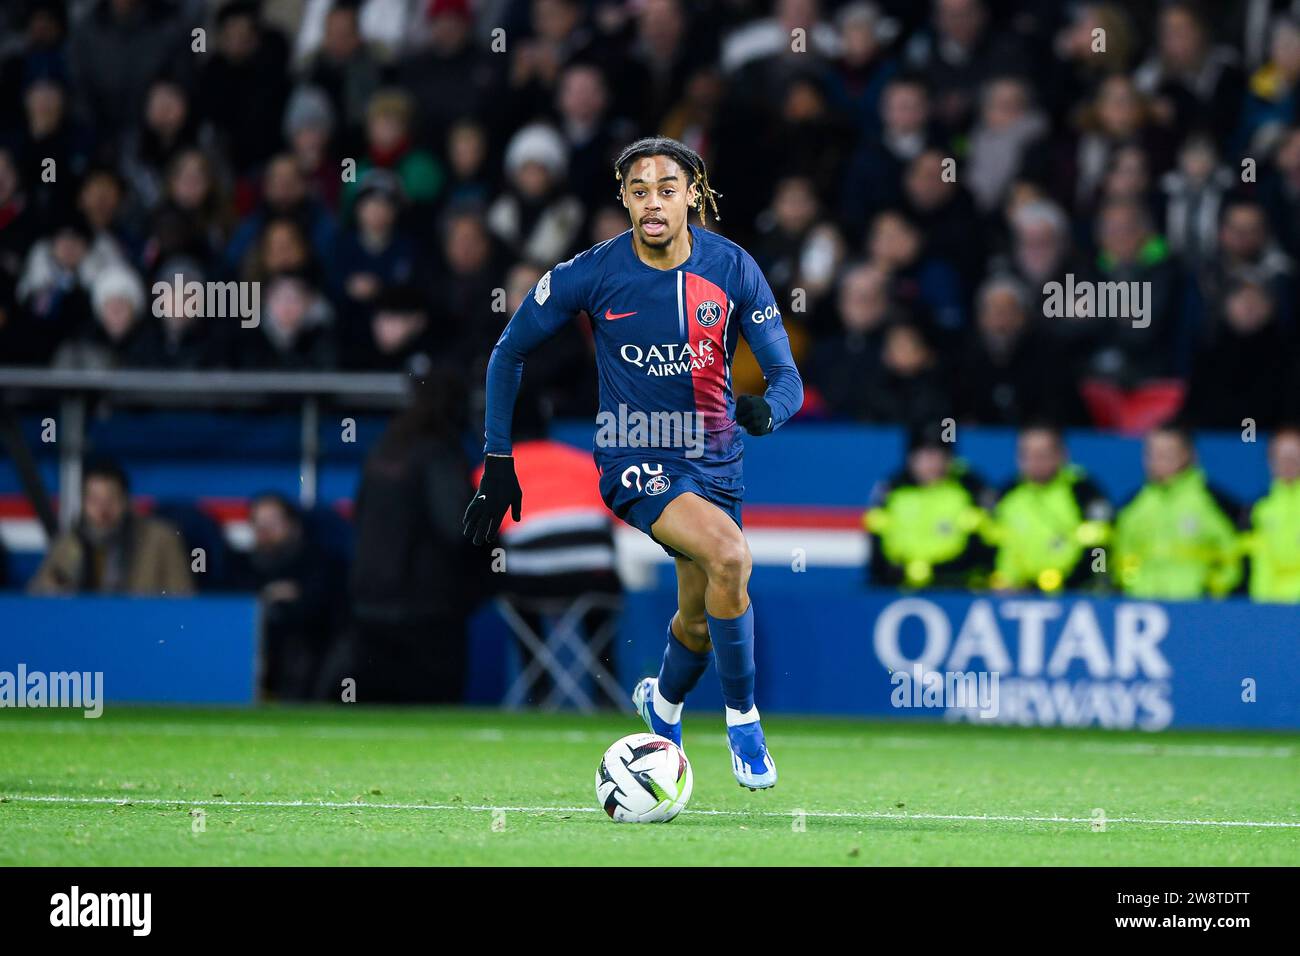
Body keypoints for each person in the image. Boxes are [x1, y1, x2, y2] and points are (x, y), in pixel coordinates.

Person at [463, 136, 803, 790]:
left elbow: (787, 377)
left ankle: (664, 707)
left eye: (666, 188)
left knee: (699, 620)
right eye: (638, 189)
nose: (652, 201)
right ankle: (743, 722)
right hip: (634, 454)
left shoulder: (733, 269)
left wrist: (769, 411)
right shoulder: (589, 272)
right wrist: (497, 459)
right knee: (731, 557)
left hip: (717, 463)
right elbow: (508, 353)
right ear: (622, 197)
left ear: (691, 195)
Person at [349, 369, 483, 702]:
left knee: (375, 716)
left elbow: (359, 514)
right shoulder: (440, 452)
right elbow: (456, 526)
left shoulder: (384, 448)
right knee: (434, 712)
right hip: (427, 610)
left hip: (370, 604)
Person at [1112, 423, 1245, 599]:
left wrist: (1213, 588)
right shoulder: (1131, 504)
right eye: (1152, 453)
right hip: (1143, 607)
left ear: (1188, 455)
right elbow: (1120, 555)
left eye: (1167, 454)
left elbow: (1235, 554)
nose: (1157, 460)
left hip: (1198, 608)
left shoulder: (1215, 501)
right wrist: (1130, 584)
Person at [29, 457, 193, 596]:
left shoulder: (161, 540)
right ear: (83, 503)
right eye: (94, 500)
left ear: (127, 501)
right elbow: (36, 599)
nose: (103, 510)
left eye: (111, 499)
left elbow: (182, 602)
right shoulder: (70, 542)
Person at [234, 493, 343, 700]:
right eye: (258, 522)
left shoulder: (317, 562)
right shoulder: (241, 565)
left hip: (308, 649)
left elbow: (321, 608)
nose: (264, 529)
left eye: (273, 522)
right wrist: (268, 597)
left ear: (293, 525)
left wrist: (290, 603)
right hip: (255, 648)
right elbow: (233, 608)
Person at [863, 423, 995, 590]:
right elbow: (877, 553)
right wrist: (896, 572)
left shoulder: (968, 492)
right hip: (897, 588)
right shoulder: (892, 494)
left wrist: (937, 572)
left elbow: (980, 550)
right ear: (911, 458)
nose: (932, 463)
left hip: (955, 589)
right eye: (925, 455)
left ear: (949, 459)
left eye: (938, 455)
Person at [987, 424, 1112, 594]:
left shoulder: (1082, 491)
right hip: (1010, 598)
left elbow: (1100, 550)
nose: (1035, 462)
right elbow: (987, 546)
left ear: (1062, 455)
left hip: (1071, 598)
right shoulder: (1007, 493)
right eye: (1027, 454)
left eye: (1042, 454)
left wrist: (1071, 583)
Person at [1244, 426, 1300, 602]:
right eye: (1281, 456)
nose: (1288, 462)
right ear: (1270, 460)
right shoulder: (1256, 508)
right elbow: (1251, 562)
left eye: (1294, 455)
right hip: (1266, 608)